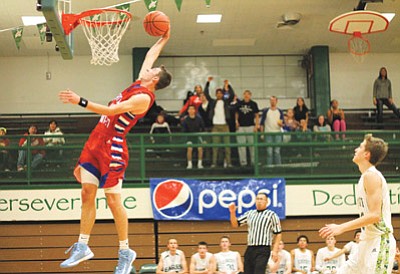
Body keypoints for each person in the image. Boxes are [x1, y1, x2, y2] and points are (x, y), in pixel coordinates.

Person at [58, 28, 171, 274]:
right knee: (87, 194)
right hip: (95, 141)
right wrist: (165, 37)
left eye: (153, 71)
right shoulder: (141, 81)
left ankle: (125, 250)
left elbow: (110, 112)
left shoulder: (143, 98)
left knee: (112, 200)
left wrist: (80, 101)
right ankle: (83, 245)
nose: (148, 68)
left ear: (155, 80)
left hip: (113, 148)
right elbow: (150, 56)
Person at [319, 134, 396, 273]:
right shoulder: (364, 177)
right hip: (365, 242)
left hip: (379, 241)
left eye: (360, 147)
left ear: (366, 154)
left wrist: (341, 227)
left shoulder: (371, 176)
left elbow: (375, 215)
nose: (355, 149)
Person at [229, 192, 282, 274]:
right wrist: (232, 212)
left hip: (263, 249)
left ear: (266, 201)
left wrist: (275, 251)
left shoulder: (272, 215)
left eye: (261, 199)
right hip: (250, 248)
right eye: (257, 199)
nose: (259, 201)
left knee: (259, 271)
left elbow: (278, 233)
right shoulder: (250, 213)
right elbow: (235, 224)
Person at [204, 77, 234, 168]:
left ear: (222, 94)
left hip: (225, 126)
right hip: (215, 126)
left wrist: (228, 85)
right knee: (215, 147)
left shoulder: (226, 102)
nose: (219, 95)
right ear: (216, 94)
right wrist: (208, 83)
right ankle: (214, 163)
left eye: (221, 93)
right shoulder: (213, 102)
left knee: (227, 147)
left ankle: (229, 163)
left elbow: (232, 95)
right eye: (218, 93)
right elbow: (206, 94)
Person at [235, 90, 260, 167]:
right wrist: (236, 122)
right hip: (241, 127)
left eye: (248, 94)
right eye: (245, 94)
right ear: (243, 95)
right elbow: (236, 113)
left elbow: (257, 115)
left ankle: (254, 162)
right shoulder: (239, 103)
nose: (246, 96)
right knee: (241, 146)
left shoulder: (253, 104)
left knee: (252, 145)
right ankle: (243, 163)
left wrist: (256, 125)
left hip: (250, 126)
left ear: (250, 95)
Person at [260, 96, 284, 166]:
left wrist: (281, 124)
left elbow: (282, 123)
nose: (272, 102)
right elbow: (262, 123)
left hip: (277, 133)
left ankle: (278, 167)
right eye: (271, 100)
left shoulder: (279, 111)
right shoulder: (266, 111)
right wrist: (262, 133)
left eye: (274, 100)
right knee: (269, 152)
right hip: (268, 133)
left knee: (277, 151)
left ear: (276, 101)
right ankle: (269, 167)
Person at [181, 105, 205, 169]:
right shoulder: (185, 120)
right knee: (189, 148)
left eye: (192, 109)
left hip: (197, 137)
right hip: (189, 138)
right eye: (190, 109)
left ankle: (200, 164)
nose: (191, 111)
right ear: (188, 111)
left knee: (200, 148)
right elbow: (183, 131)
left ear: (195, 111)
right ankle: (189, 164)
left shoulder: (199, 119)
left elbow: (203, 129)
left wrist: (203, 139)